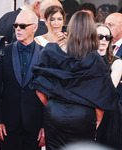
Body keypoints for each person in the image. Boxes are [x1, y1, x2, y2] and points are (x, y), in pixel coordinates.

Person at [30, 11, 119, 149]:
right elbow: (102, 97)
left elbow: (38, 86)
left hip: (55, 112)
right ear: (91, 31)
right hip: (83, 116)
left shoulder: (51, 52)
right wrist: (97, 122)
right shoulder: (95, 59)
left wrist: (52, 106)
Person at [0, 10, 45, 150]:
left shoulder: (46, 55)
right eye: (16, 26)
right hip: (7, 126)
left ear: (34, 28)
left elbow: (50, 92)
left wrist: (46, 125)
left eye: (22, 26)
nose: (18, 29)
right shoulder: (3, 52)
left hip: (35, 126)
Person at [95, 23, 122, 149]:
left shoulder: (116, 62)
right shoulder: (83, 60)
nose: (104, 40)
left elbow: (109, 89)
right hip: (87, 113)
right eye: (100, 36)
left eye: (108, 37)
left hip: (109, 114)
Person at [105, 13, 122, 103]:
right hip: (104, 100)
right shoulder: (101, 44)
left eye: (110, 25)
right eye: (105, 25)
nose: (106, 28)